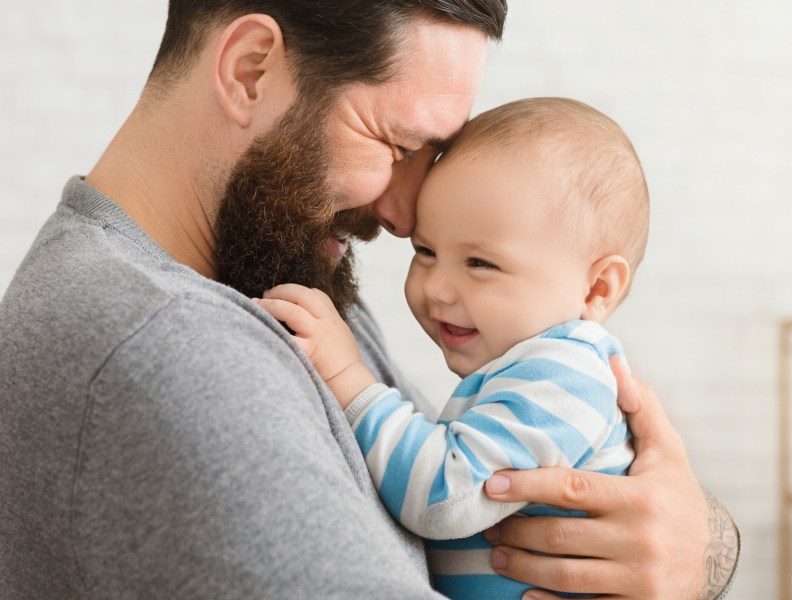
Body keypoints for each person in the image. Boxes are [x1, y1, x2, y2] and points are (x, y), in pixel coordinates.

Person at [0, 2, 738, 599]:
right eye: (396, 144)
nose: (408, 212)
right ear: (251, 70)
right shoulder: (169, 345)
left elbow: (445, 471)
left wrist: (693, 544)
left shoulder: (278, 280)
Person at [257, 97, 645, 598]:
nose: (437, 287)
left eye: (480, 263)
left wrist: (348, 378)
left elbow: (445, 495)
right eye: (426, 251)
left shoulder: (565, 376)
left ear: (596, 290)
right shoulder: (529, 370)